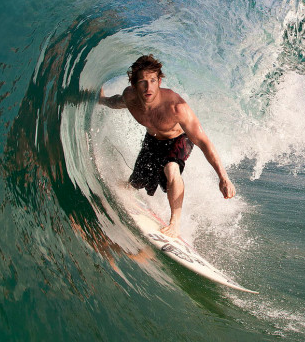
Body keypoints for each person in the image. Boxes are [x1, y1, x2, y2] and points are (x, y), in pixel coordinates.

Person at [98, 54, 235, 236]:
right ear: (133, 84)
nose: (148, 87)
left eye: (153, 80)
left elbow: (203, 141)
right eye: (142, 82)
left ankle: (175, 223)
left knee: (171, 169)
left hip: (179, 140)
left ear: (160, 80)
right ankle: (124, 190)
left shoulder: (176, 108)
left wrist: (223, 177)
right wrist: (102, 99)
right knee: (136, 183)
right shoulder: (130, 97)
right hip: (153, 141)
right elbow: (116, 102)